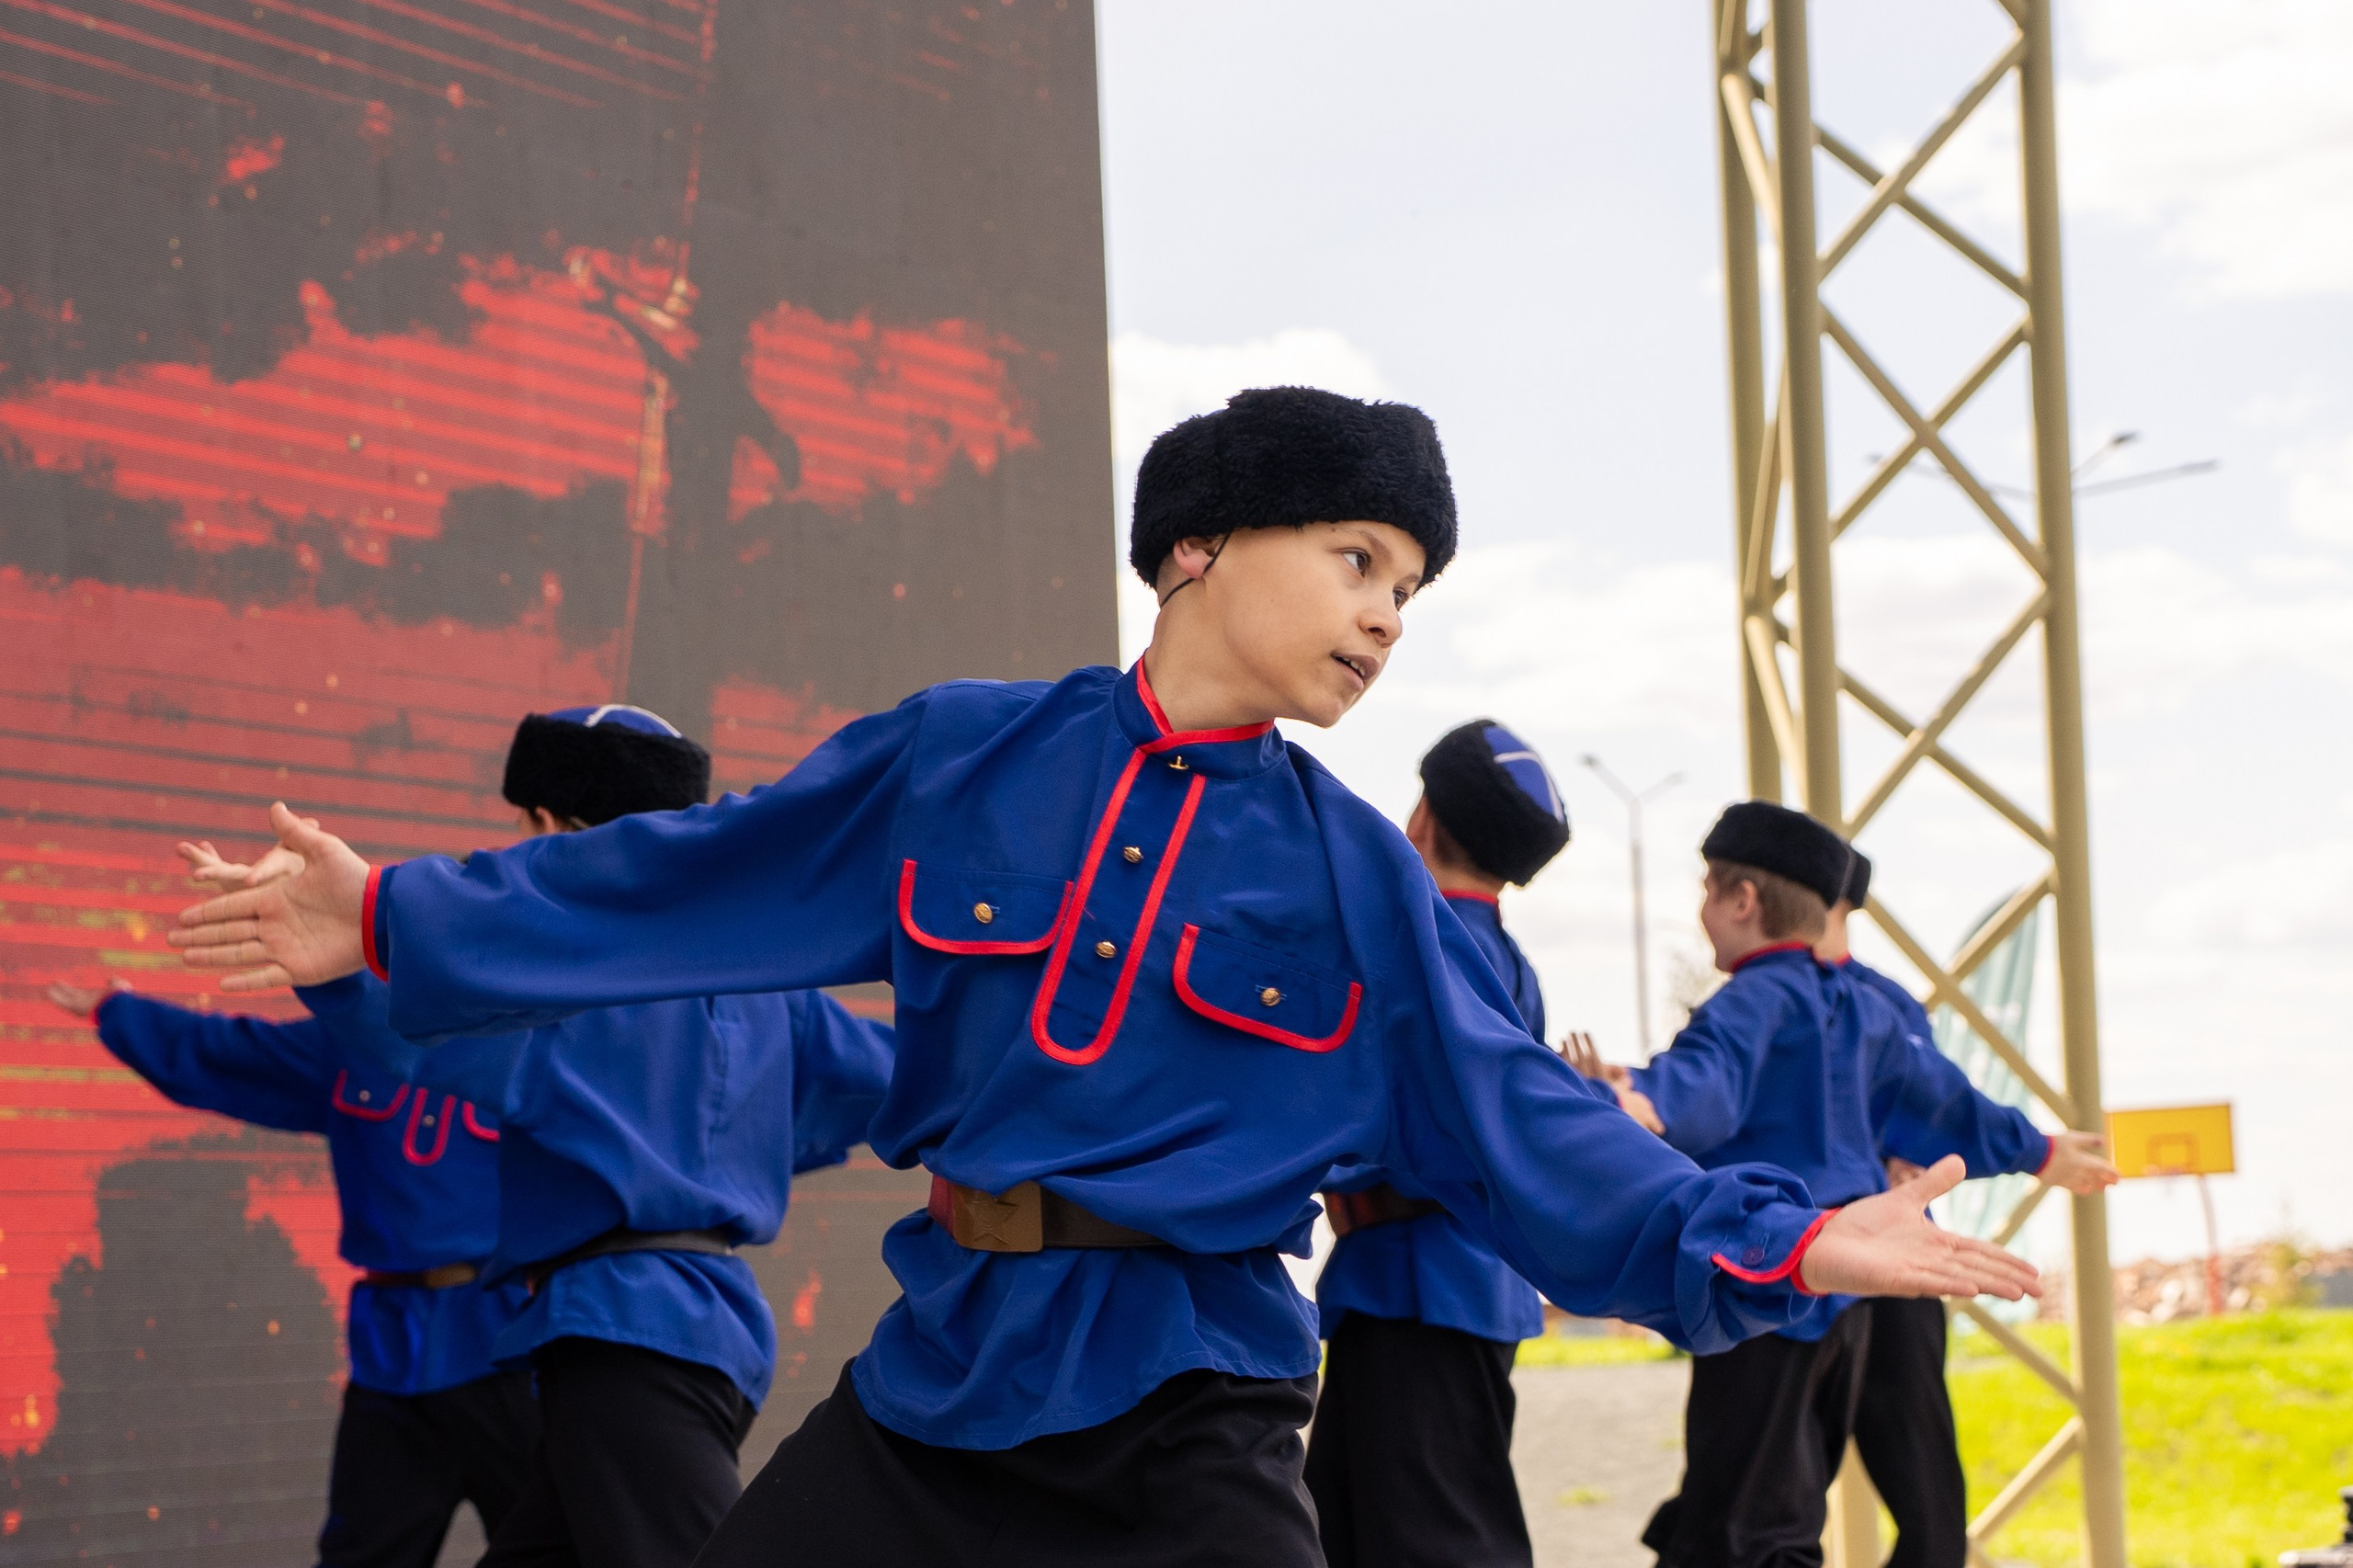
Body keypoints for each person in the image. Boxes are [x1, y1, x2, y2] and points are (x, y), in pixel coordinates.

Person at [169, 388, 2039, 1568]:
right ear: (1197, 548)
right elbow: (699, 880)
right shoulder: (966, 757)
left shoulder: (1346, 873)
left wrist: (1782, 1238)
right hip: (938, 1379)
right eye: (1359, 556)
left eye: (1413, 586)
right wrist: (402, 920)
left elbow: (1521, 1120)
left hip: (1191, 1401)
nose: (1390, 611)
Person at [339, 702, 899, 1568]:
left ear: (558, 828)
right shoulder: (762, 981)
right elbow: (896, 1074)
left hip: (624, 1339)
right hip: (680, 1333)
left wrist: (339, 959)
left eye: (523, 825)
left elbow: (416, 1034)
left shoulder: (567, 981)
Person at [1587, 805, 2097, 1568]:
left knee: (1744, 1529)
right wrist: (2039, 1149)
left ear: (1744, 901)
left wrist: (1637, 1100)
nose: (1698, 912)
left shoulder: (1755, 1000)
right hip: (1855, 1294)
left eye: (1705, 890)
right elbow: (1945, 1104)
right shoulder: (1867, 1007)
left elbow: (1706, 1081)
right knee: (1807, 1508)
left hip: (1770, 1278)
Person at [48, 844, 537, 1568]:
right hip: (392, 1361)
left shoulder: (530, 1044)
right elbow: (224, 1055)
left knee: (559, 1547)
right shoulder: (353, 1043)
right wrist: (118, 1012)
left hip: (503, 1351)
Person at [1304, 719, 1574, 1568]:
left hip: (1419, 1289)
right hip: (1441, 1288)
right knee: (1347, 1533)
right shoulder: (1509, 960)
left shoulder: (1423, 949)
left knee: (1437, 1543)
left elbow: (1405, 1124)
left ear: (1420, 816)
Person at [1825, 851, 2115, 1568]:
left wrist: (2035, 1149)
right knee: (1767, 1508)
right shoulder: (1757, 1002)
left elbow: (1939, 1107)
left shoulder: (1872, 1003)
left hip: (1885, 1267)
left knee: (1927, 1506)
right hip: (1796, 1272)